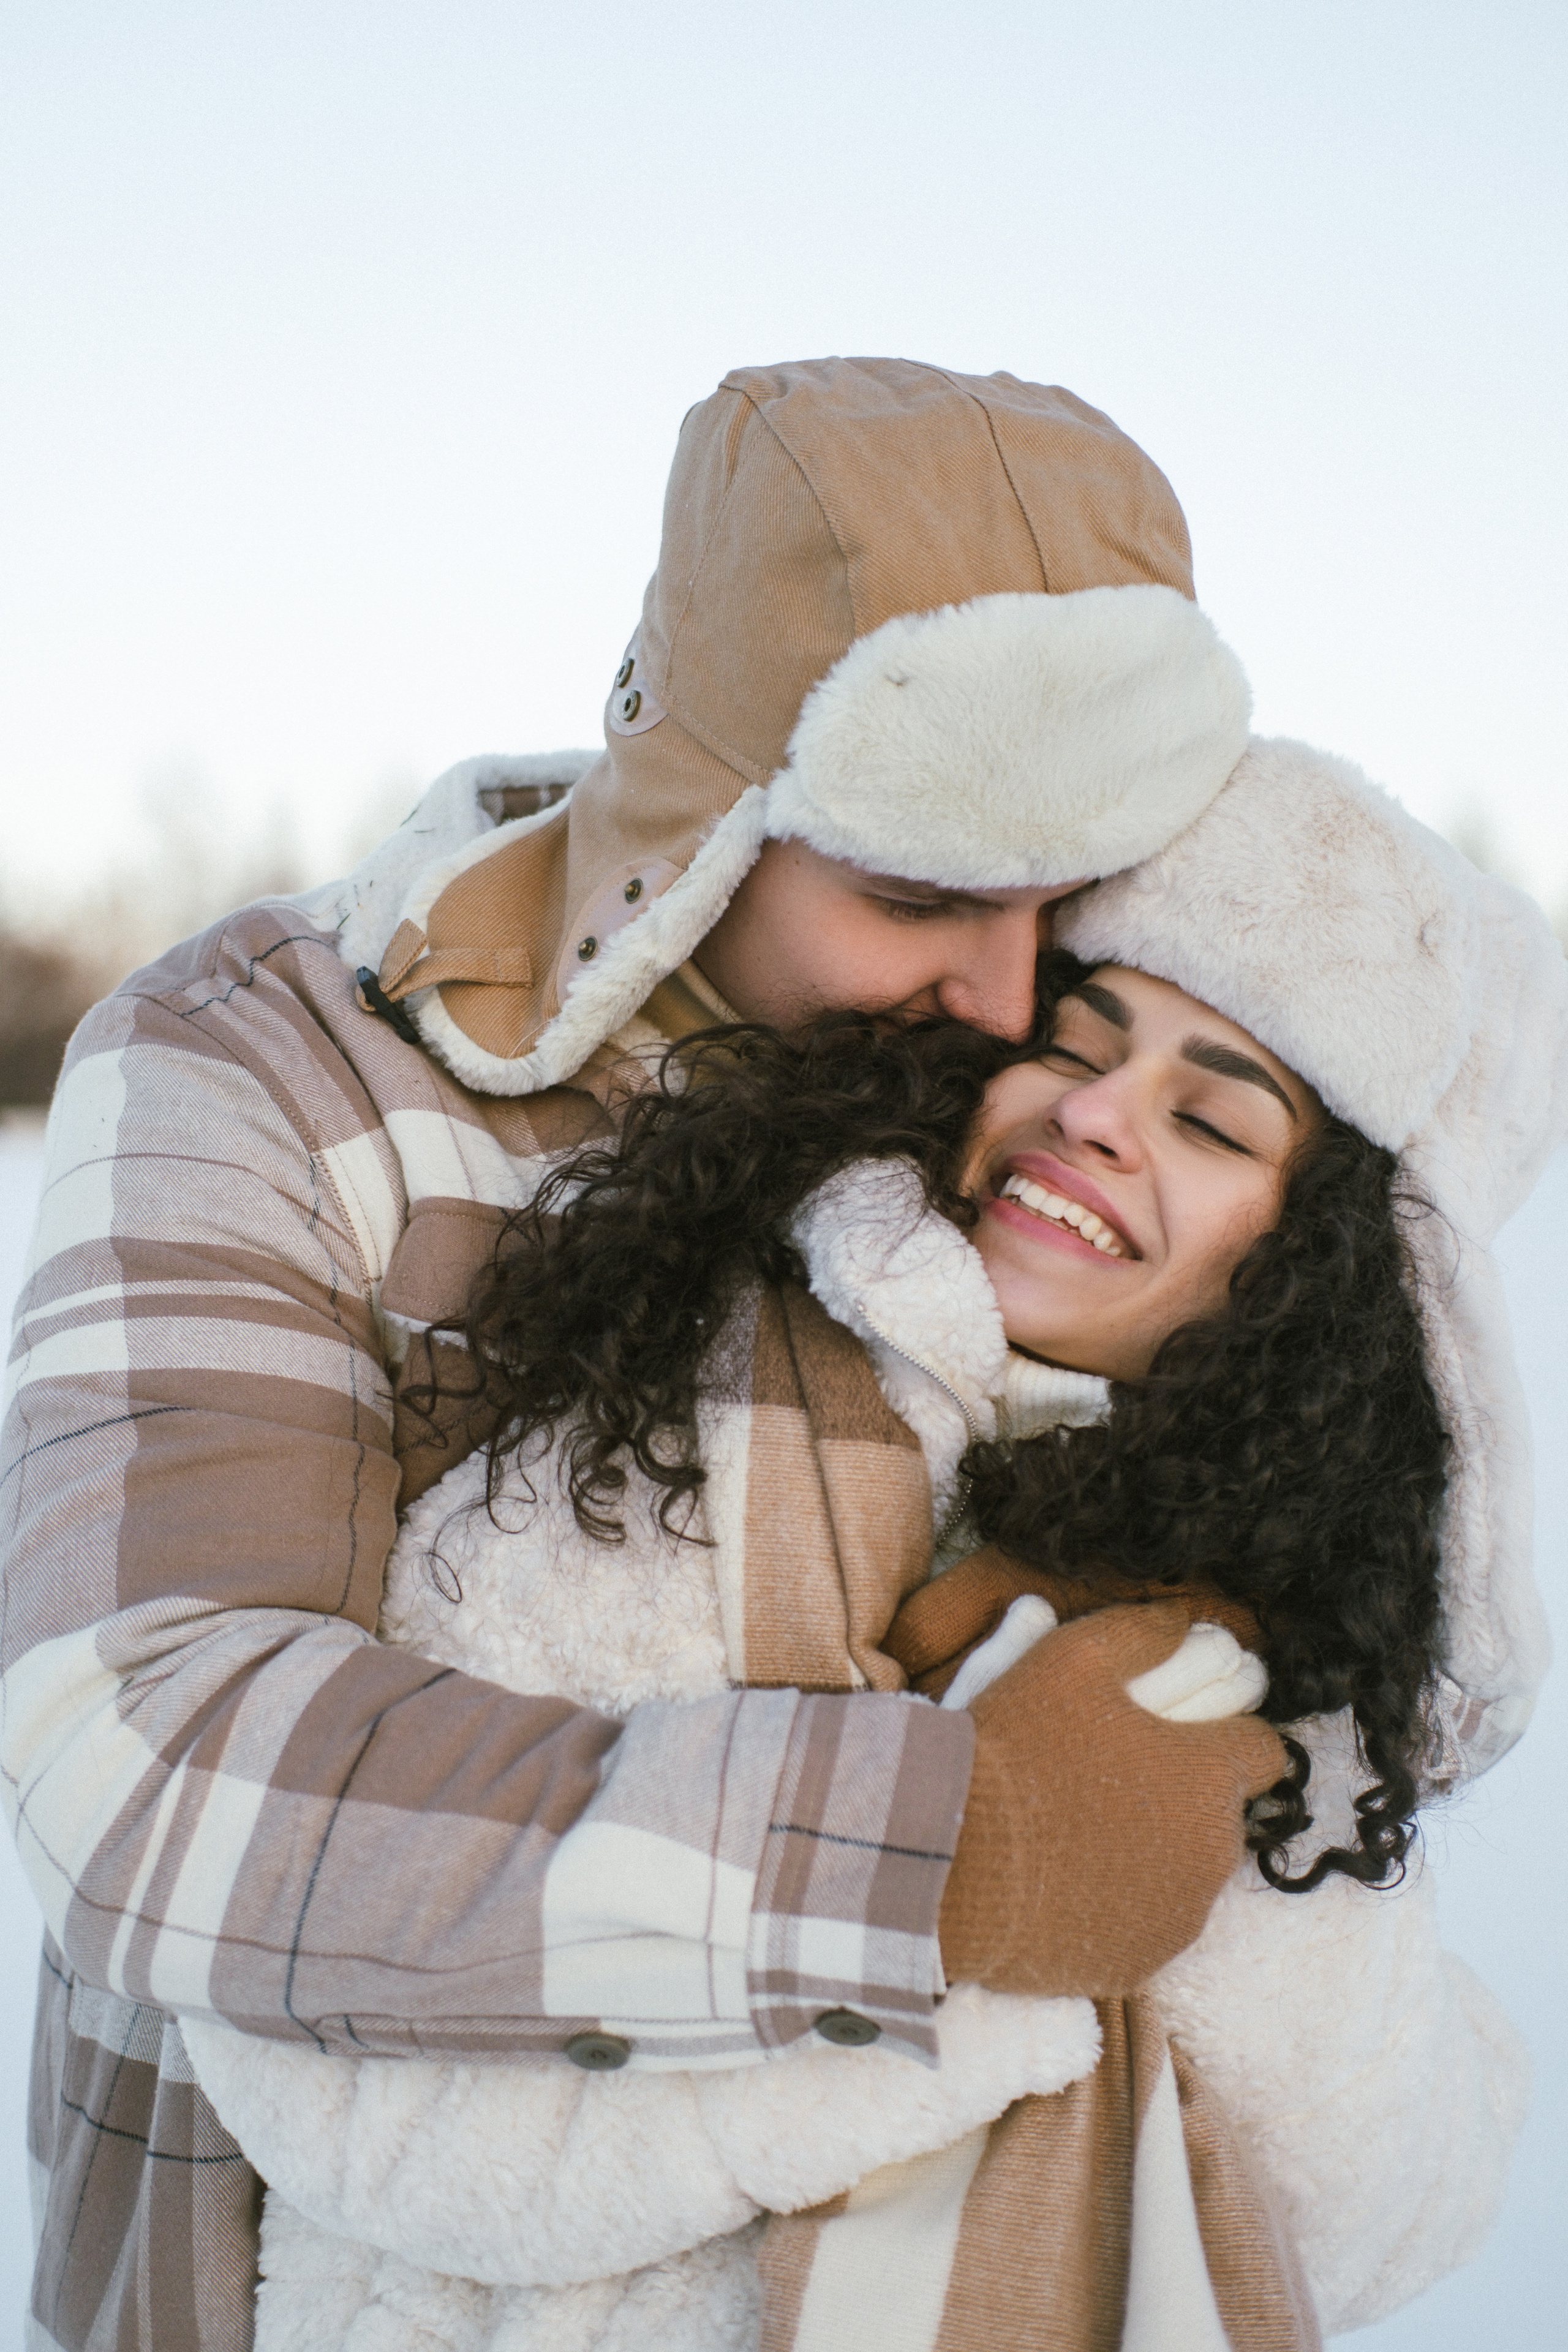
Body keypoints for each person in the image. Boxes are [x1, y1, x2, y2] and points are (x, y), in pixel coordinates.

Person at [1, 358, 1263, 2350]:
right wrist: (958, 1857)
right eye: (921, 892)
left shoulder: (1026, 1097)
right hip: (300, 2280)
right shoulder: (268, 1063)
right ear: (708, 814)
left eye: (1070, 900)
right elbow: (155, 1757)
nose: (1009, 994)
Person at [181, 737, 1564, 2350]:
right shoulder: (681, 1429)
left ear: (1316, 1277)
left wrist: (1212, 1861)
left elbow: (1393, 2205)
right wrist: (965, 1929)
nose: (1101, 1115)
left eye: (1210, 1122)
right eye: (1078, 1039)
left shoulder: (1267, 1653)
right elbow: (354, 2100)